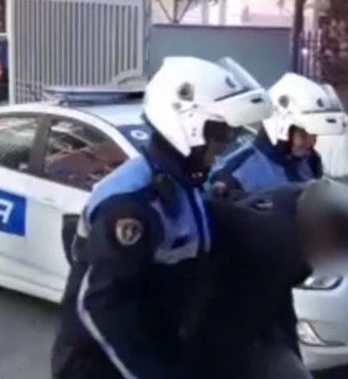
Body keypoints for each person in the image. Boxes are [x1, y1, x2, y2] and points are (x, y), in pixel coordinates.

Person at [49, 56, 272, 379]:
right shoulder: (133, 204)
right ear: (188, 125)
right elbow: (102, 307)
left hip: (156, 347)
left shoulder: (183, 184)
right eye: (218, 133)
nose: (223, 144)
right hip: (103, 367)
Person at [195, 180, 348, 379]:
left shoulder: (289, 242)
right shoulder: (275, 248)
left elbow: (281, 309)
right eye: (335, 252)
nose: (330, 261)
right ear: (323, 235)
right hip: (204, 330)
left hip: (248, 334)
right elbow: (232, 329)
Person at [209, 72, 348, 199]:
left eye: (314, 134)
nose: (312, 142)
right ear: (281, 126)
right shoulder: (239, 170)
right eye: (304, 134)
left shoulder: (310, 161)